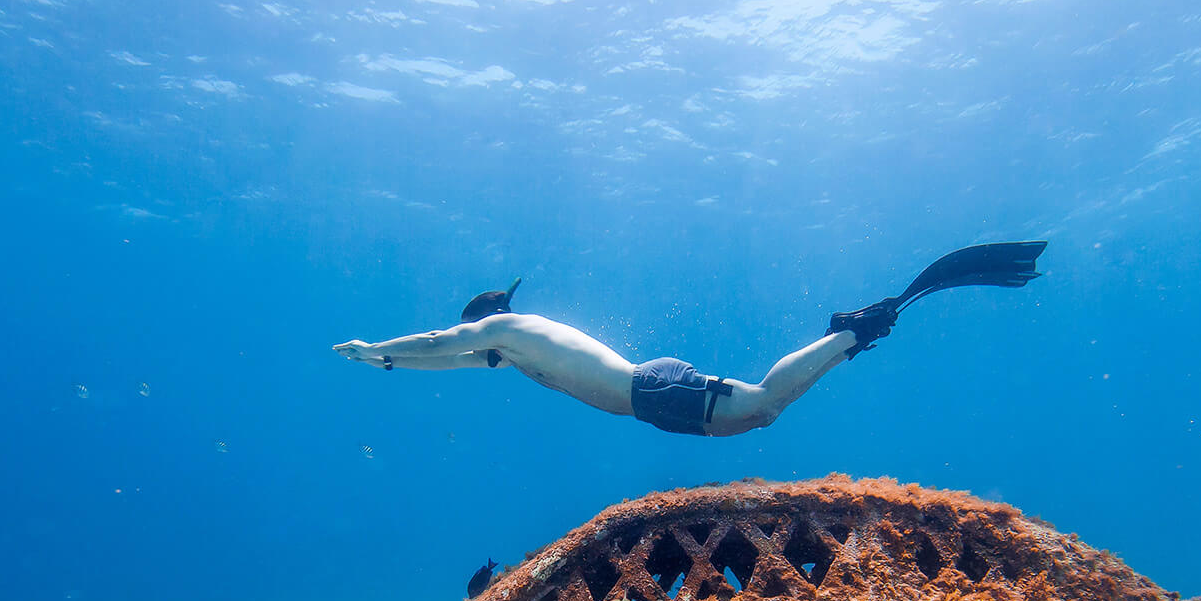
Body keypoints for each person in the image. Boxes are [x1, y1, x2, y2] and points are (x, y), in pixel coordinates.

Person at [332, 241, 1046, 438]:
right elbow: (448, 362)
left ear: (477, 323)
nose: (475, 354)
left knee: (763, 405)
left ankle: (849, 333)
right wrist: (398, 366)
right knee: (760, 412)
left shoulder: (502, 327)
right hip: (649, 399)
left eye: (472, 341)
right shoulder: (507, 347)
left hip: (649, 388)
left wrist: (378, 352)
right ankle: (849, 338)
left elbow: (438, 343)